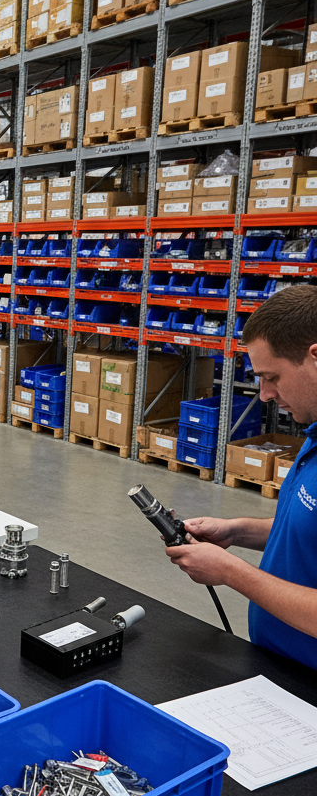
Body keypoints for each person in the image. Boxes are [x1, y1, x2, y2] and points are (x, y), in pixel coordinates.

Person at [165, 285, 317, 669]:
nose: (264, 394)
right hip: (277, 664)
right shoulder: (314, 430)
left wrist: (231, 572)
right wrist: (237, 531)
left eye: (272, 377)